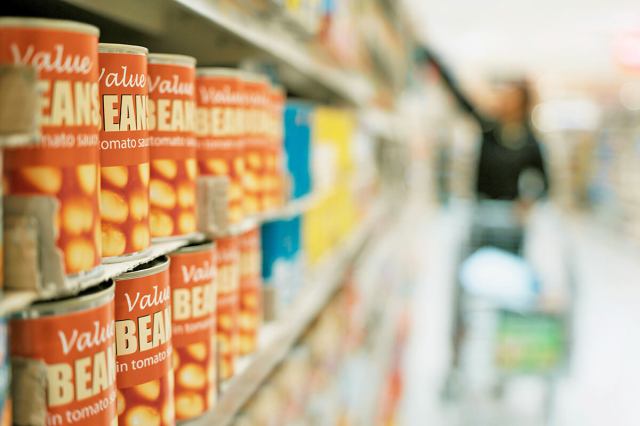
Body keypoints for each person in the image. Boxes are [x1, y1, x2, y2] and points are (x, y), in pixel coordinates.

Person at [419, 46, 549, 206]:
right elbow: (460, 97)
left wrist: (529, 200)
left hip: (510, 216)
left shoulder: (530, 143)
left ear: (522, 104)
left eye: (511, 98)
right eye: (504, 96)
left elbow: (545, 183)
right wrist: (431, 56)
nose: (505, 101)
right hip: (481, 210)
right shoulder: (489, 128)